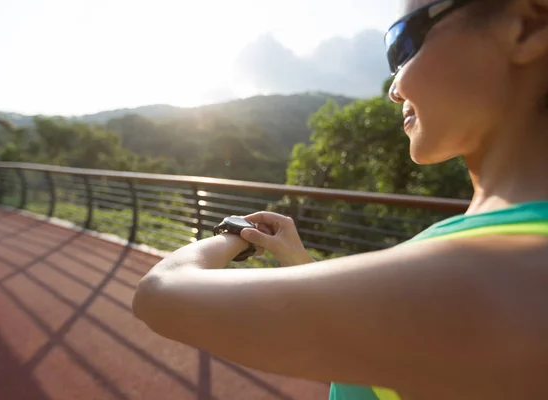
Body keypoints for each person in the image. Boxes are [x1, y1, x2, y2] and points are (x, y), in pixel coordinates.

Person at [132, 0, 548, 398]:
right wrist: (300, 264)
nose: (395, 89)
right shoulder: (493, 257)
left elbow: (160, 293)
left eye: (405, 45)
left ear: (528, 26)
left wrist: (234, 232)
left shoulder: (490, 275)